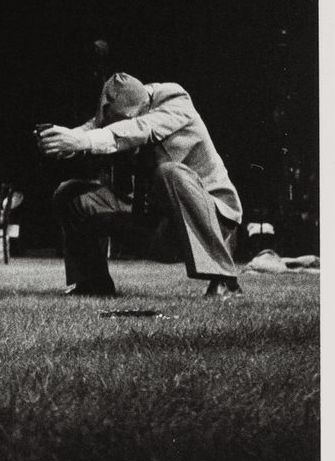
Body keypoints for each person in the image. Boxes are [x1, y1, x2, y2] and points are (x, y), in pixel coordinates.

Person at [40, 72, 243, 298]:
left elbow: (142, 128)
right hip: (155, 223)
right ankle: (92, 283)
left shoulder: (175, 100)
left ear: (146, 104)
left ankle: (226, 281)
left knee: (170, 172)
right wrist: (62, 140)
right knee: (69, 194)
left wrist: (84, 141)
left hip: (212, 221)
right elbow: (92, 127)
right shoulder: (120, 105)